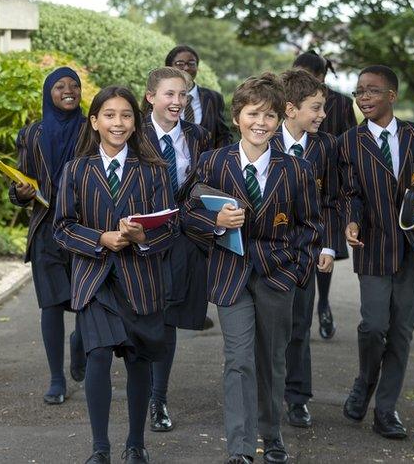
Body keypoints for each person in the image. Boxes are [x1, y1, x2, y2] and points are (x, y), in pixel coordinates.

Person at [184, 73, 320, 464]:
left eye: (270, 116)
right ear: (237, 117)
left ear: (280, 121)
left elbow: (311, 226)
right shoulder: (212, 163)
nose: (261, 123)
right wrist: (215, 224)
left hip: (278, 277)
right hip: (231, 276)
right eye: (253, 114)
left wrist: (297, 272)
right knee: (239, 359)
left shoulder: (297, 169)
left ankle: (271, 433)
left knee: (273, 360)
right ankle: (241, 448)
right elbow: (188, 213)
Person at [53, 86, 177, 464]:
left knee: (138, 361)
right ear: (95, 121)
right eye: (109, 115)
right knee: (100, 356)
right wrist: (100, 238)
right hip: (95, 281)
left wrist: (143, 237)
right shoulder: (76, 169)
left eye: (126, 115)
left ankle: (136, 444)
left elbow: (170, 229)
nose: (118, 123)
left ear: (135, 122)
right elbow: (61, 227)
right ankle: (100, 449)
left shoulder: (154, 171)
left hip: (141, 282)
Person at [337, 65, 414, 439]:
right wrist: (351, 221)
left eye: (372, 91)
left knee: (401, 332)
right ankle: (364, 381)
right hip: (372, 246)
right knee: (373, 327)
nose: (364, 98)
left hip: (412, 248)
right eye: (359, 92)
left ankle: (386, 410)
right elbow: (350, 193)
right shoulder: (349, 142)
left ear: (392, 96)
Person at [140, 67, 213, 433]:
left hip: (181, 239)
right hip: (142, 239)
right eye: (169, 94)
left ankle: (158, 398)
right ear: (151, 96)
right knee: (140, 320)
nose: (177, 102)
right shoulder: (133, 135)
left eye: (182, 95)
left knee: (166, 320)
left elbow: (204, 184)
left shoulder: (198, 136)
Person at [9, 66, 87, 405]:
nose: (69, 90)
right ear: (48, 93)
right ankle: (57, 379)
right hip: (46, 231)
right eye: (60, 86)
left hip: (86, 229)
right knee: (52, 305)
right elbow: (20, 183)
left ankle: (81, 343)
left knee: (88, 299)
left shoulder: (93, 129)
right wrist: (21, 193)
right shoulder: (31, 134)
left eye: (75, 85)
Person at [270, 69, 340, 429]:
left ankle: (297, 397)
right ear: (290, 109)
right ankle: (265, 394)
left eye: (323, 108)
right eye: (316, 108)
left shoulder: (325, 146)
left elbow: (332, 199)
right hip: (267, 251)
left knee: (299, 326)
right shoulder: (265, 141)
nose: (322, 115)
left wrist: (328, 245)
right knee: (269, 329)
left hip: (305, 252)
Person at [292, 49, 357, 340]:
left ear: (321, 77)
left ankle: (324, 303)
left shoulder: (340, 103)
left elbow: (349, 140)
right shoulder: (287, 99)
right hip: (295, 180)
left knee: (323, 250)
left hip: (327, 178)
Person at [165, 44, 233, 148]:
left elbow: (222, 135)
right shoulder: (160, 97)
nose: (186, 67)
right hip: (170, 161)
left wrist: (220, 159)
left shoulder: (213, 98)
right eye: (180, 63)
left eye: (191, 63)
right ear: (169, 67)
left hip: (207, 162)